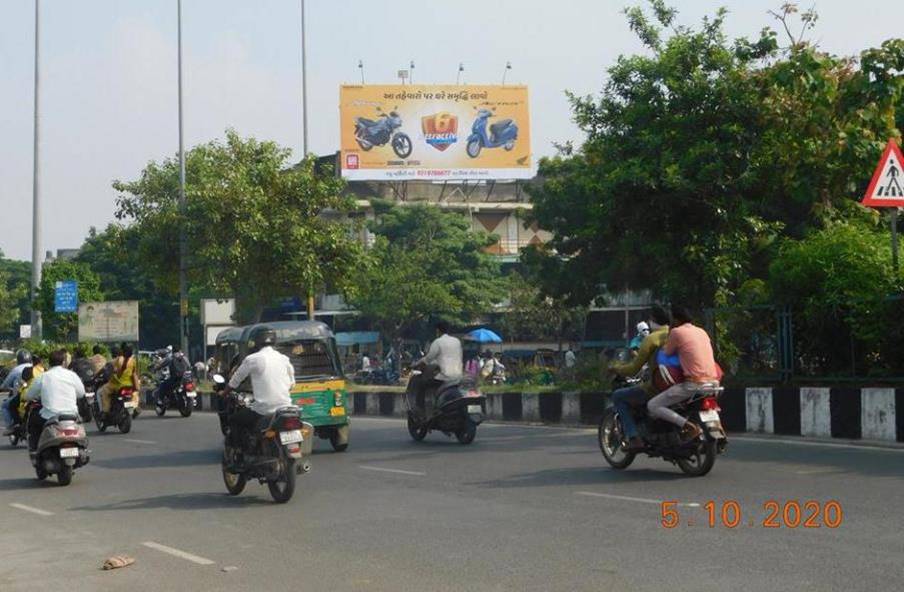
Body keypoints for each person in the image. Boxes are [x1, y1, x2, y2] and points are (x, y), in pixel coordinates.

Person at [646, 305, 720, 440]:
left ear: (676, 319)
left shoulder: (676, 332)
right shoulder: (702, 331)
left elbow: (667, 353)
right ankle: (718, 428)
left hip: (693, 384)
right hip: (714, 384)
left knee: (653, 405)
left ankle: (688, 426)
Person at [220, 326, 294, 453]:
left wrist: (224, 392)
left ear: (256, 342)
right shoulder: (284, 359)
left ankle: (240, 452)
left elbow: (235, 380)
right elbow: (292, 384)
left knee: (234, 420)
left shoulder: (253, 359)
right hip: (286, 408)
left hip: (264, 410)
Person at [609, 305, 671, 451]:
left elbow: (633, 368)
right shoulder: (676, 334)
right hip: (679, 382)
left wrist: (615, 368)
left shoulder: (651, 339)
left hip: (658, 386)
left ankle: (633, 437)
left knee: (618, 396)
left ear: (653, 320)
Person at [24, 349, 86, 451]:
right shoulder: (71, 375)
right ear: (63, 362)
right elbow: (81, 393)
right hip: (72, 415)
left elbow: (29, 395)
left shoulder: (43, 376)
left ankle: (34, 448)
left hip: (50, 416)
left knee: (33, 420)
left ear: (49, 363)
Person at [408, 321, 463, 419]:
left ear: (438, 331)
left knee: (421, 385)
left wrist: (415, 365)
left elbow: (428, 359)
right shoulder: (456, 341)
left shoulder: (437, 342)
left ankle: (421, 411)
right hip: (458, 376)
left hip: (444, 377)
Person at [98, 343, 141, 417]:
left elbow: (109, 368)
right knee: (135, 393)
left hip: (117, 384)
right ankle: (134, 407)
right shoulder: (133, 361)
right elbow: (134, 374)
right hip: (129, 384)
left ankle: (105, 411)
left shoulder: (118, 360)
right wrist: (136, 386)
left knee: (104, 391)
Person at [1, 350, 33, 434]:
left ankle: (11, 426)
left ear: (18, 359)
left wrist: (3, 388)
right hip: (37, 396)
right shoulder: (35, 367)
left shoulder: (16, 370)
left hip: (23, 395)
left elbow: (5, 384)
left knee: (4, 406)